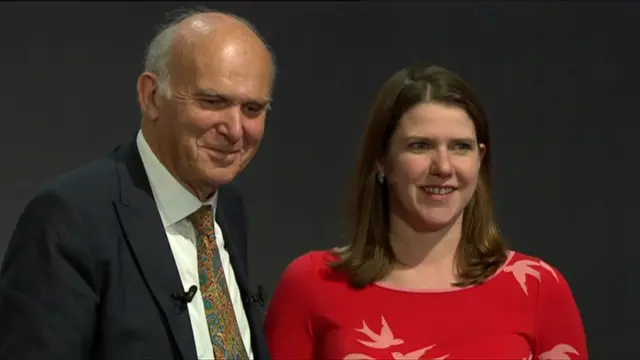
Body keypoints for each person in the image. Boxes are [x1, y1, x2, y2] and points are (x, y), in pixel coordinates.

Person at [0, 8, 275, 360]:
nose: (236, 130)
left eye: (253, 109)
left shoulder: (230, 211)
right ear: (151, 96)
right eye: (213, 101)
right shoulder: (69, 219)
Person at [264, 63, 588, 360]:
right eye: (421, 146)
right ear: (382, 160)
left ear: (480, 159)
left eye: (461, 147)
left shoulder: (539, 288)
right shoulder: (311, 284)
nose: (444, 167)